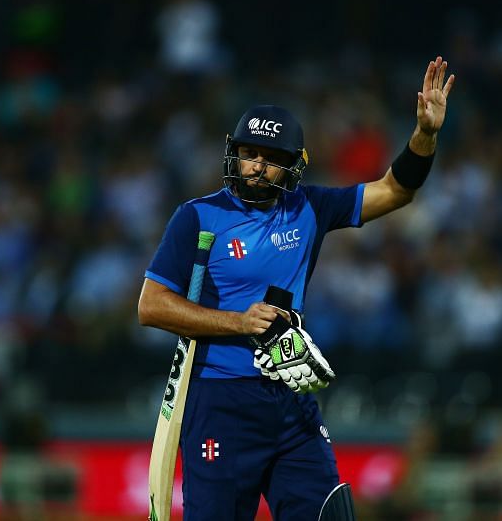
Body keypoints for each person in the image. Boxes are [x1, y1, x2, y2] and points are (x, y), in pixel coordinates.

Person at [138, 56, 455, 520]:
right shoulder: (198, 217)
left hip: (291, 398)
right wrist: (238, 322)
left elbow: (394, 191)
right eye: (250, 154)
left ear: (293, 166)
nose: (258, 166)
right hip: (220, 401)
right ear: (234, 152)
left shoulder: (310, 207)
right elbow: (151, 306)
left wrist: (424, 135)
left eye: (271, 159)